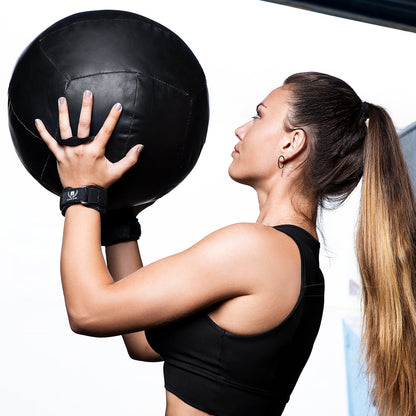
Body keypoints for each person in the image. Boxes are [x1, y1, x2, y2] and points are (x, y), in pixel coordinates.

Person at [34, 72, 416, 416]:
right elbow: (143, 341)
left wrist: (82, 191)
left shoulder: (255, 249)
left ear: (293, 142)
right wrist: (119, 218)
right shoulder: (290, 261)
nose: (241, 129)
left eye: (259, 115)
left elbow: (88, 310)